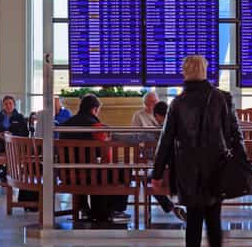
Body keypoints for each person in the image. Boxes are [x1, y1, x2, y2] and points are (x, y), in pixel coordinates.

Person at [151, 55, 245, 247]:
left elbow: (166, 141)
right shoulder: (222, 98)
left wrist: (156, 173)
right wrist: (242, 163)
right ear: (205, 71)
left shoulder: (178, 103)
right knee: (214, 221)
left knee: (193, 222)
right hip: (218, 169)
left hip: (188, 171)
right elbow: (235, 134)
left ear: (185, 73)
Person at [59, 95, 130, 223]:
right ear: (94, 110)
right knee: (123, 170)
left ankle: (86, 209)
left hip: (67, 174)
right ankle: (116, 211)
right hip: (89, 175)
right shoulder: (95, 126)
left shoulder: (65, 125)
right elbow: (106, 157)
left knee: (93, 171)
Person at [146, 100, 187, 223]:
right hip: (187, 175)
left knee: (147, 179)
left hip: (169, 176)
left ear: (158, 115)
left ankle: (170, 206)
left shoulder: (159, 131)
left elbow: (158, 156)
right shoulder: (183, 127)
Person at [0, 95, 30, 179]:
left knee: (14, 154)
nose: (8, 106)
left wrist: (12, 135)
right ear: (3, 105)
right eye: (6, 104)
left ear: (14, 105)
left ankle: (8, 172)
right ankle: (3, 170)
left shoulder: (19, 117)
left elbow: (25, 133)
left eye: (10, 103)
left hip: (14, 143)